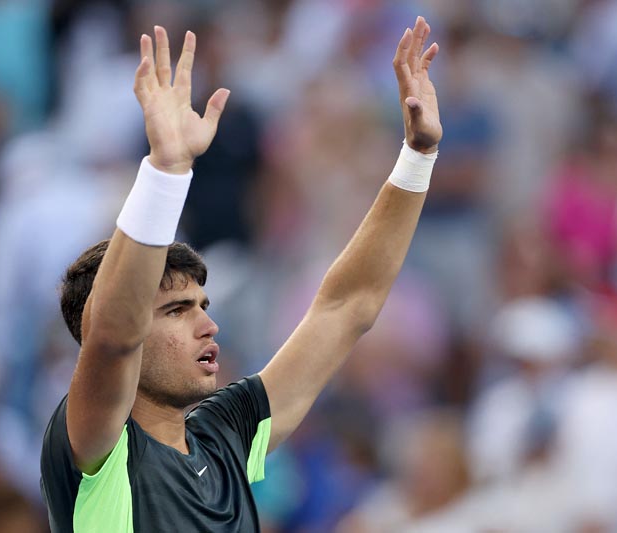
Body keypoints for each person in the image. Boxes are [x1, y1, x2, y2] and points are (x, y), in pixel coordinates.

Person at [40, 17, 442, 532]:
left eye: (202, 307)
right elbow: (114, 333)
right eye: (176, 311)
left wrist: (417, 156)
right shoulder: (96, 447)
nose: (208, 326)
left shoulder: (227, 432)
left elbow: (346, 308)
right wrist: (166, 169)